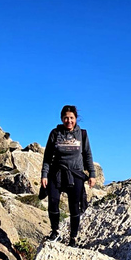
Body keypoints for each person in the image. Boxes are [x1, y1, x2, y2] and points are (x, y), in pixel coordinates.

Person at [40, 105, 96, 247]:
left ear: (76, 118)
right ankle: (55, 231)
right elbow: (47, 156)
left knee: (74, 207)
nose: (68, 121)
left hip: (76, 174)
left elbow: (88, 155)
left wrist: (92, 174)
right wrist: (44, 174)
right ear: (61, 118)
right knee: (53, 202)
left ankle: (73, 238)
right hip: (56, 173)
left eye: (71, 118)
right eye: (66, 118)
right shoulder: (55, 133)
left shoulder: (82, 134)